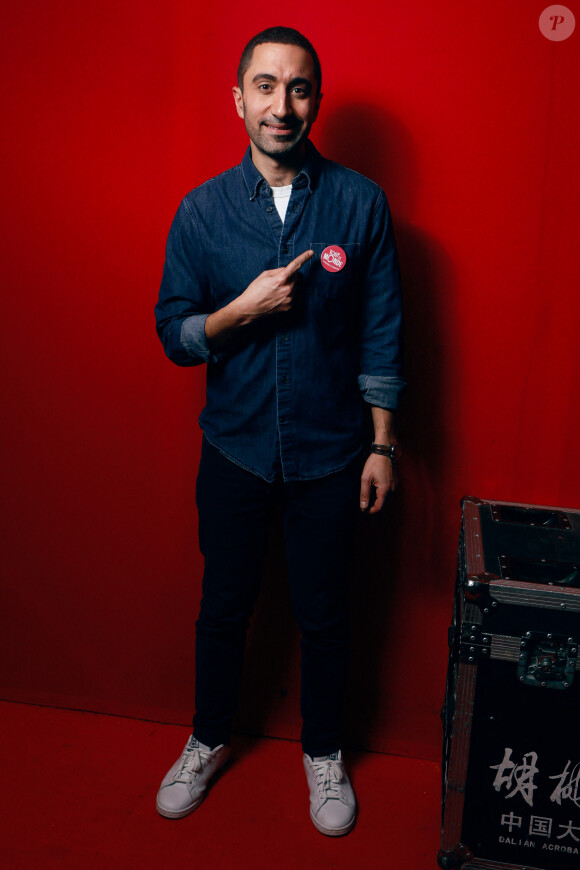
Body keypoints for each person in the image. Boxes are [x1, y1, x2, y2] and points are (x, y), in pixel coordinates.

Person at [154, 25, 405, 837]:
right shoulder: (201, 211)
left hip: (335, 455)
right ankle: (207, 738)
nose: (281, 104)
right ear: (239, 99)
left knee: (326, 614)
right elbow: (173, 334)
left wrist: (382, 444)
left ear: (315, 101)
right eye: (265, 86)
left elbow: (382, 331)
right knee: (223, 608)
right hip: (234, 449)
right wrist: (242, 312)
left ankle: (323, 753)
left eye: (297, 88)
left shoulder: (360, 203)